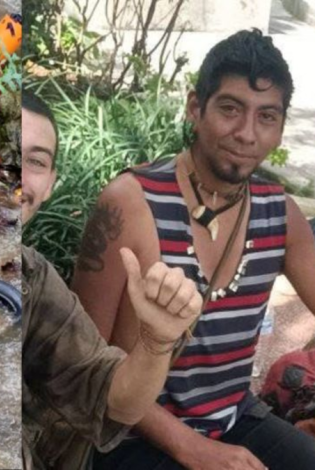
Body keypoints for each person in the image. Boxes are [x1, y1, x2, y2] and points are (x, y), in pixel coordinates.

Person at [69, 29, 315, 470]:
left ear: (280, 129)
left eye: (266, 116)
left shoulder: (280, 214)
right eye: (230, 109)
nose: (246, 133)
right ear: (195, 107)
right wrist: (191, 448)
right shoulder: (131, 203)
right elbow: (84, 363)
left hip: (234, 418)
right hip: (129, 434)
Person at [22, 88, 204, 469]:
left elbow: (116, 401)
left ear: (51, 183)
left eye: (34, 162)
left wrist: (156, 341)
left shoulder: (34, 281)